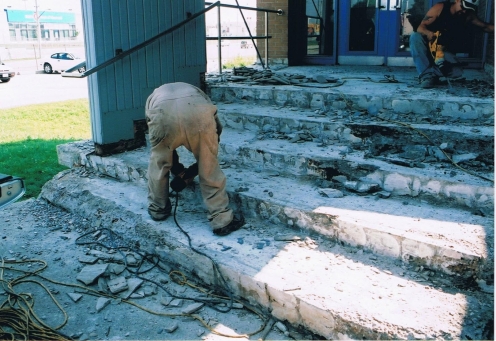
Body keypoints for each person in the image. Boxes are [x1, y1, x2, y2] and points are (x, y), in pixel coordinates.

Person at [145, 82, 244, 236]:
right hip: (198, 112)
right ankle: (221, 220)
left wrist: (174, 167)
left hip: (162, 113)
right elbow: (217, 128)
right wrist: (206, 156)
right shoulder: (196, 91)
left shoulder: (154, 95)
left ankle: (158, 209)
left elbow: (158, 141)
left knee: (159, 163)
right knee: (209, 166)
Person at [410, 0, 494, 88]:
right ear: (457, 0)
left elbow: (485, 27)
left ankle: (432, 75)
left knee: (457, 72)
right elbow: (420, 27)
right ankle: (426, 77)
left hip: (442, 51)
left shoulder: (468, 15)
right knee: (415, 36)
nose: (464, 11)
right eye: (463, 7)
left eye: (468, 9)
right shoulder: (440, 8)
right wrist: (428, 33)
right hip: (427, 45)